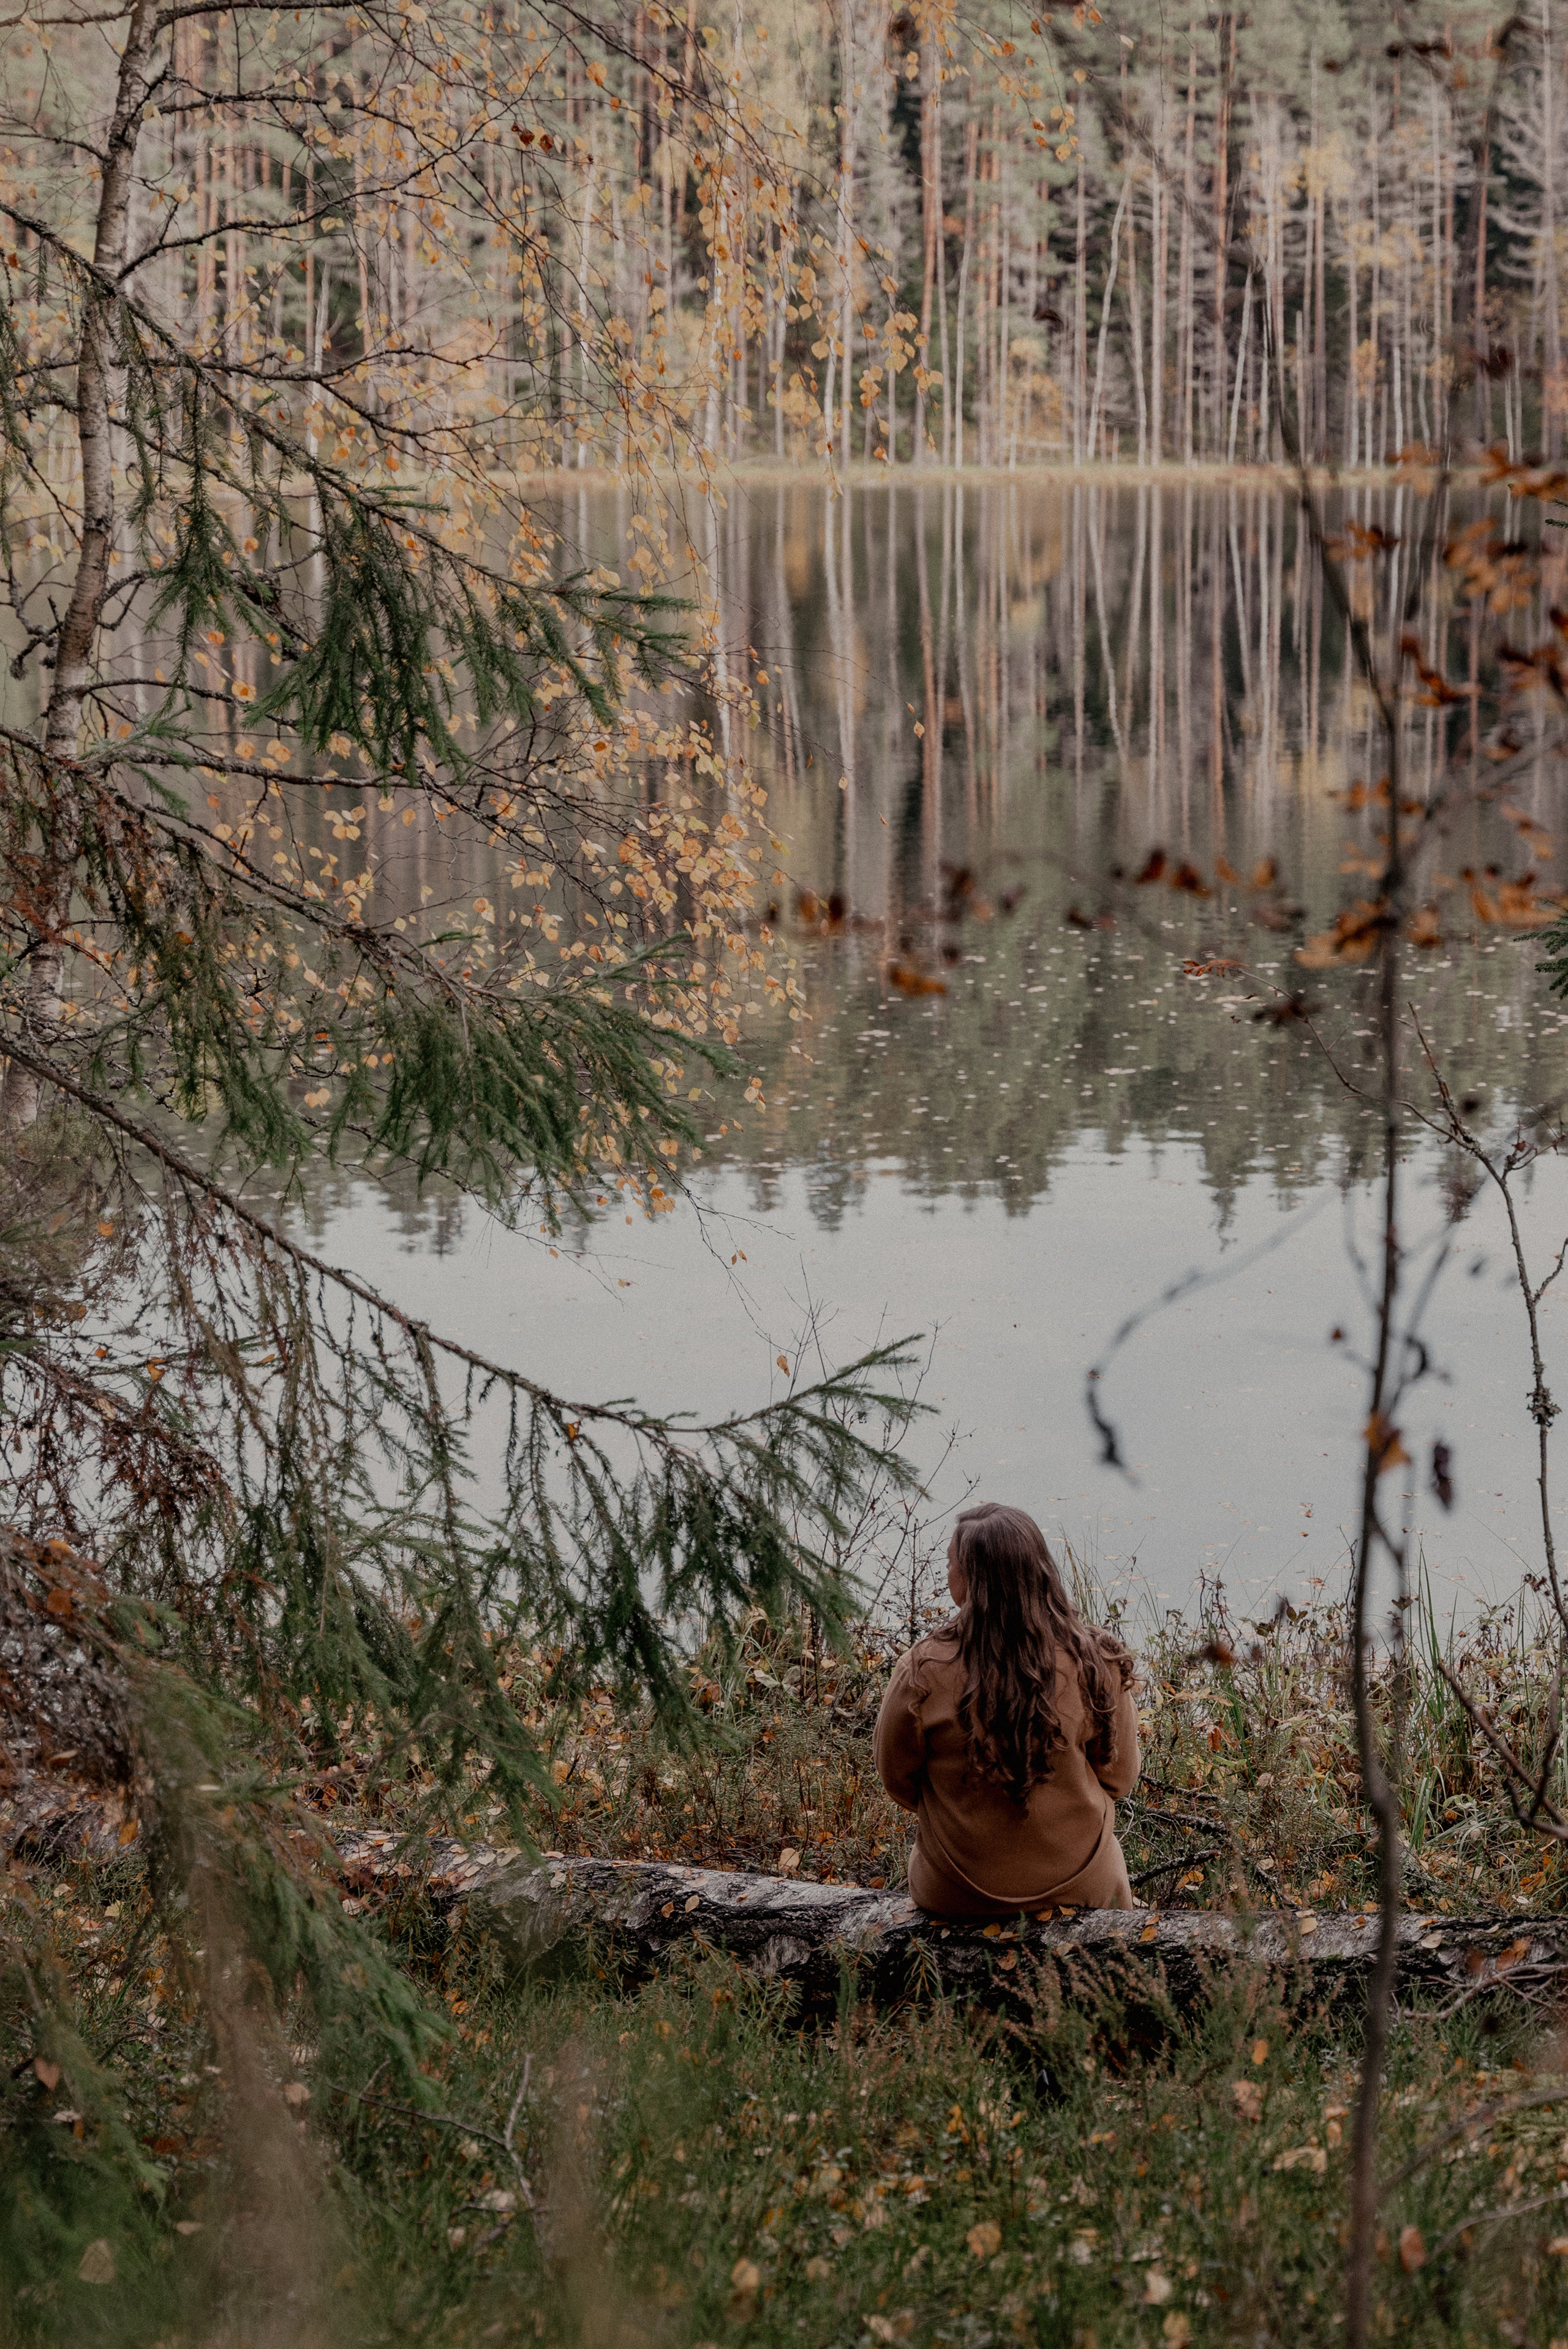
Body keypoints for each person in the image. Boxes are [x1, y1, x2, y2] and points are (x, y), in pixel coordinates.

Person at [873, 1502, 1141, 1917]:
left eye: (950, 1565)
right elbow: (1119, 1779)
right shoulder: (1096, 1659)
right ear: (1039, 1569)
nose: (947, 1575)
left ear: (973, 1581)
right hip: (1085, 1886)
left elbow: (897, 1779)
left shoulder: (923, 1670)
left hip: (958, 1893)